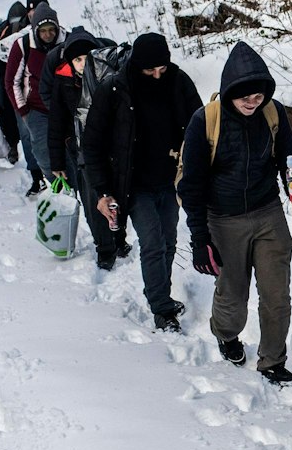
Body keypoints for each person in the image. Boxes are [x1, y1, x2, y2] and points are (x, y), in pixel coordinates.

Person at [177, 41, 292, 386]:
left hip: (268, 213)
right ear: (229, 90)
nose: (252, 101)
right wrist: (201, 239)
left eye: (258, 94)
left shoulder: (272, 114)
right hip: (223, 219)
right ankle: (227, 334)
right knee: (233, 294)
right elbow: (192, 185)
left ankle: (273, 361)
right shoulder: (206, 121)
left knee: (277, 294)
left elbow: (289, 163)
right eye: (244, 95)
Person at [82, 33, 202, 330]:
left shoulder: (178, 81)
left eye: (162, 68)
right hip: (133, 183)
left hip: (171, 180)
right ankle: (162, 309)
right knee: (152, 242)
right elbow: (92, 144)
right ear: (137, 66)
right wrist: (101, 191)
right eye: (150, 70)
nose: (157, 75)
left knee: (170, 240)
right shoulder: (114, 89)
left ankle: (159, 291)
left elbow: (199, 125)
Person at [40, 24, 120, 262]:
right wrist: (57, 161)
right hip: (81, 151)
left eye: (87, 57)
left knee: (115, 195)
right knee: (91, 198)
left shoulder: (110, 77)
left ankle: (118, 237)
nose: (83, 63)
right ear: (70, 62)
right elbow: (56, 122)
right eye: (77, 59)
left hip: (112, 147)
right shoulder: (63, 81)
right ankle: (104, 248)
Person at [5, 3, 61, 196]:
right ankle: (55, 184)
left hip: (63, 105)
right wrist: (23, 111)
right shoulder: (23, 46)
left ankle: (74, 183)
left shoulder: (65, 43)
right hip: (35, 107)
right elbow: (12, 81)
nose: (47, 35)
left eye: (51, 30)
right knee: (41, 149)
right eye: (43, 31)